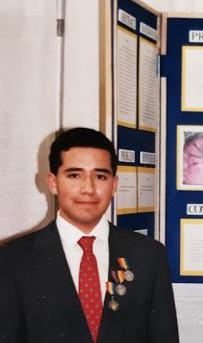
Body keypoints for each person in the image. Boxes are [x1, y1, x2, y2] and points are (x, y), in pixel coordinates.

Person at [0, 127, 179, 343]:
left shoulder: (149, 255)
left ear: (114, 185)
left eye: (100, 176)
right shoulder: (13, 260)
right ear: (53, 183)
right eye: (74, 175)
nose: (88, 188)